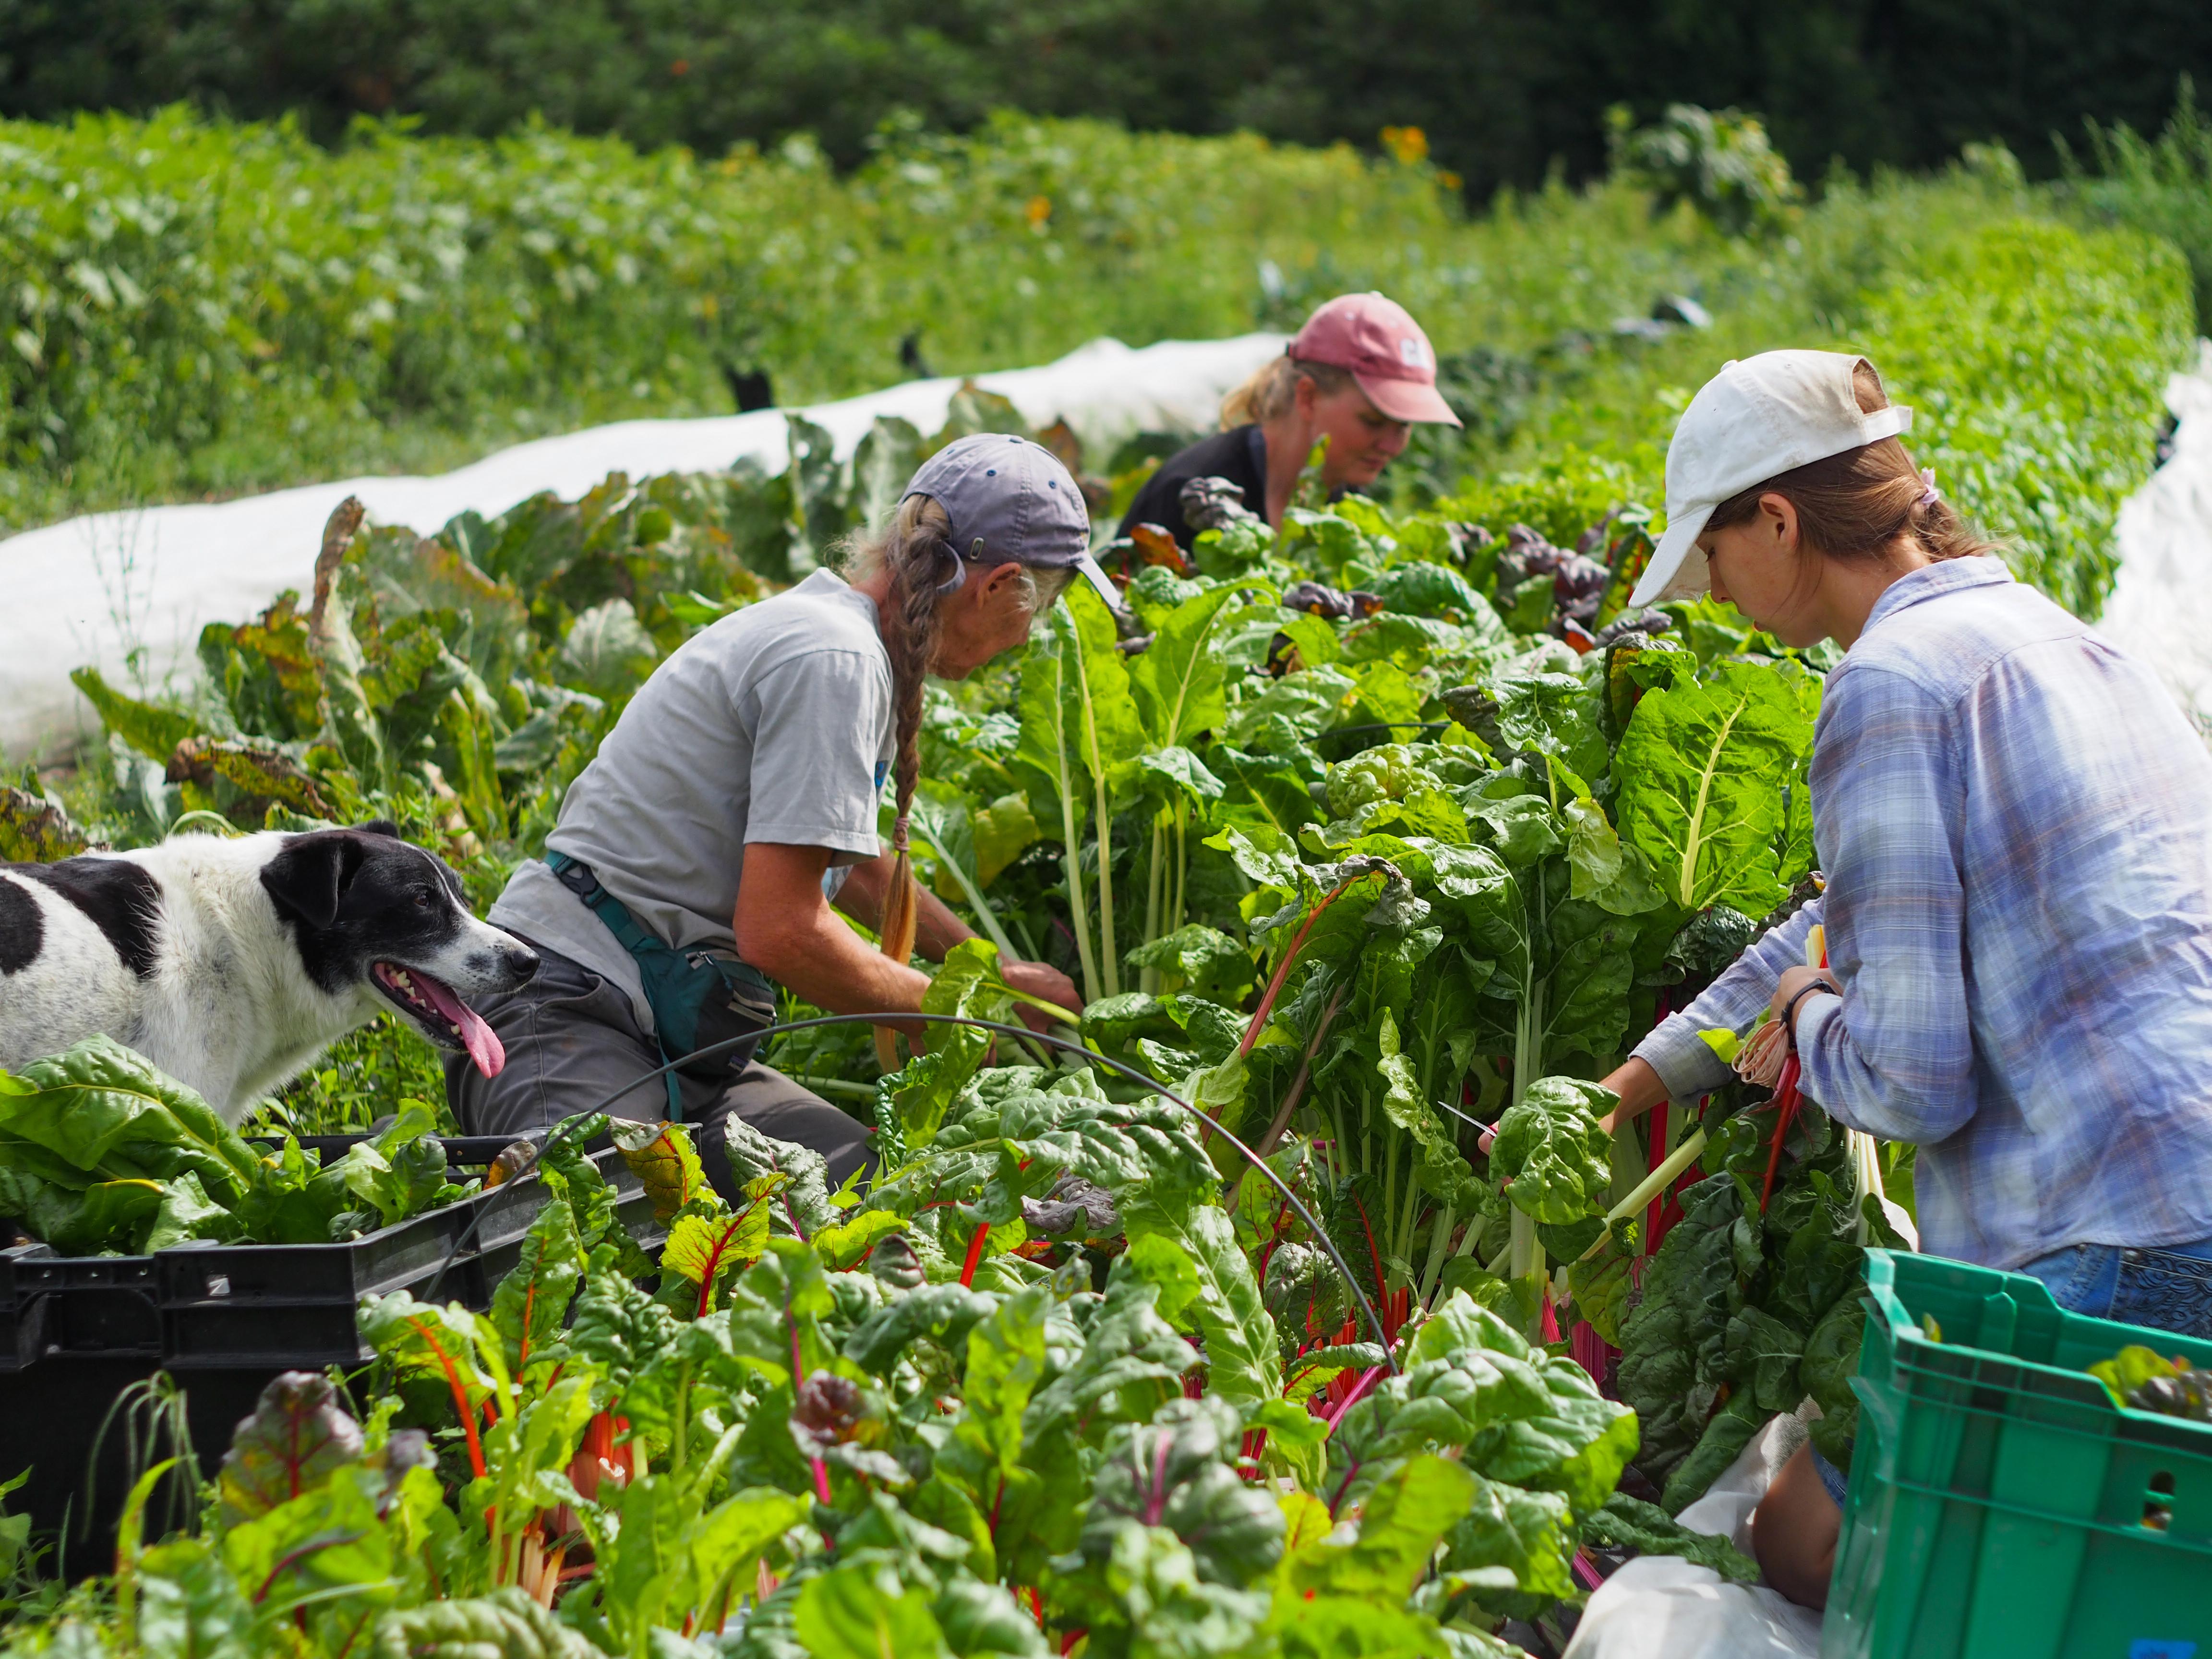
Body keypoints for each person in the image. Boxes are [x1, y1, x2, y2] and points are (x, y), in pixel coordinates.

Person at [1597, 349, 2212, 1608]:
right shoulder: (2058, 639)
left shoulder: (1885, 685)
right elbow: (1833, 927)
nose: (1710, 591)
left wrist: (1811, 1023)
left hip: (2117, 1257)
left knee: (1815, 1550)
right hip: (2184, 1196)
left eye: (1710, 552)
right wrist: (1635, 1083)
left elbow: (1912, 1084)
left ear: (1776, 519)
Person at [450, 433, 1096, 1194]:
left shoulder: (847, 639)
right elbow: (781, 930)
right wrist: (958, 1011)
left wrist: (976, 966)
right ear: (1000, 585)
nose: (1030, 633)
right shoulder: (836, 659)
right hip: (568, 1013)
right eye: (1040, 606)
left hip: (681, 1041)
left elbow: (836, 852)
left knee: (880, 1202)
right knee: (598, 1227)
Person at [1118, 292, 1462, 548]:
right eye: (1372, 421)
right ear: (1308, 397)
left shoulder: (1345, 500)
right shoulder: (1187, 494)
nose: (1390, 446)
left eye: (1403, 427)